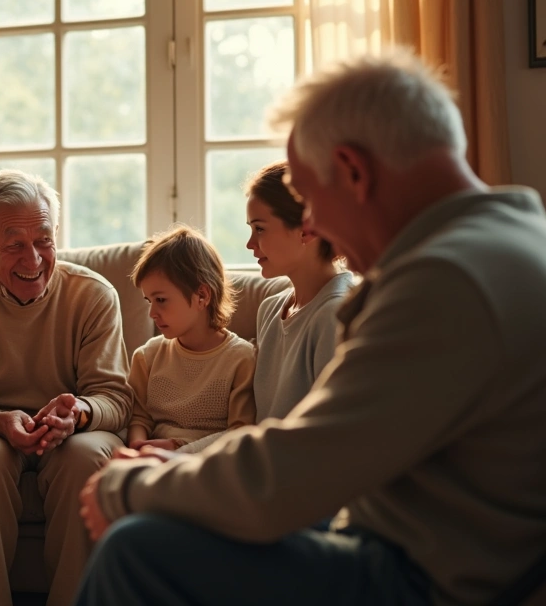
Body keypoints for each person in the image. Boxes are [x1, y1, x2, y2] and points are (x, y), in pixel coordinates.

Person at [76, 50, 546, 606]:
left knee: (137, 546)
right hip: (396, 534)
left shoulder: (445, 278)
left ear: (353, 171)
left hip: (410, 575)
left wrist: (126, 486)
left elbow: (294, 473)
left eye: (309, 198)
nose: (313, 225)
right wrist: (177, 468)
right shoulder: (515, 237)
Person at [0, 169, 132, 606]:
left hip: (71, 433)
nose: (34, 259)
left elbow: (116, 397)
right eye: (14, 246)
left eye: (44, 240)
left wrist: (78, 412)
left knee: (85, 458)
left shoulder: (93, 294)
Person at [181, 161, 353, 454]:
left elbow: (332, 442)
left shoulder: (336, 316)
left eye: (259, 229)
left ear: (306, 230)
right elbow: (257, 428)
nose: (250, 244)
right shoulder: (271, 309)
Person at [125, 225, 255, 452]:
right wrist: (138, 448)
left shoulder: (241, 359)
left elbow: (240, 431)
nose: (152, 313)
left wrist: (177, 447)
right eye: (149, 301)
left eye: (161, 300)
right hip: (151, 463)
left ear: (202, 296)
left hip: (207, 466)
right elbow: (138, 418)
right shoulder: (147, 357)